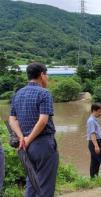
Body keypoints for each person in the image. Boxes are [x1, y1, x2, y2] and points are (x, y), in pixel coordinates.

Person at [9, 63, 59, 197]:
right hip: (42, 144)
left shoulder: (17, 94)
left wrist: (22, 138)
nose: (47, 78)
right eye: (47, 74)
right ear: (42, 75)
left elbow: (12, 119)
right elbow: (43, 120)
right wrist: (28, 139)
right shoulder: (44, 93)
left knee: (32, 181)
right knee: (45, 186)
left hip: (25, 146)